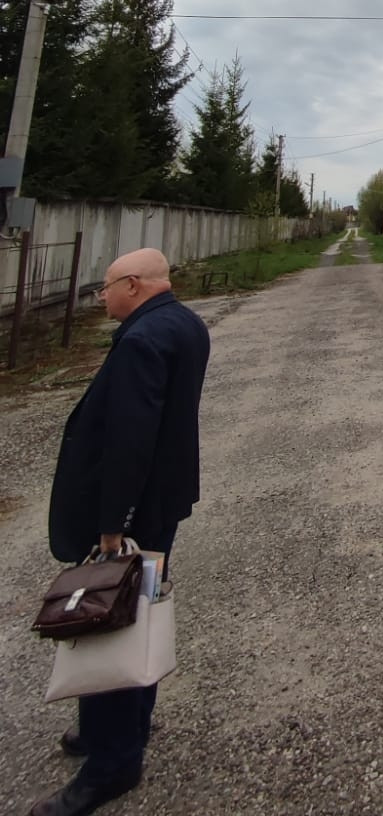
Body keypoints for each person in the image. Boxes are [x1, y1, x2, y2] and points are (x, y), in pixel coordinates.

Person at [29, 249, 211, 816]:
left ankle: (112, 763)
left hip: (133, 510)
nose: (100, 297)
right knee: (137, 612)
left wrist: (113, 525)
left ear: (132, 285)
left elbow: (130, 439)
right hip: (162, 500)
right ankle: (120, 725)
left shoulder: (141, 341)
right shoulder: (184, 322)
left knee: (108, 618)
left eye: (105, 287)